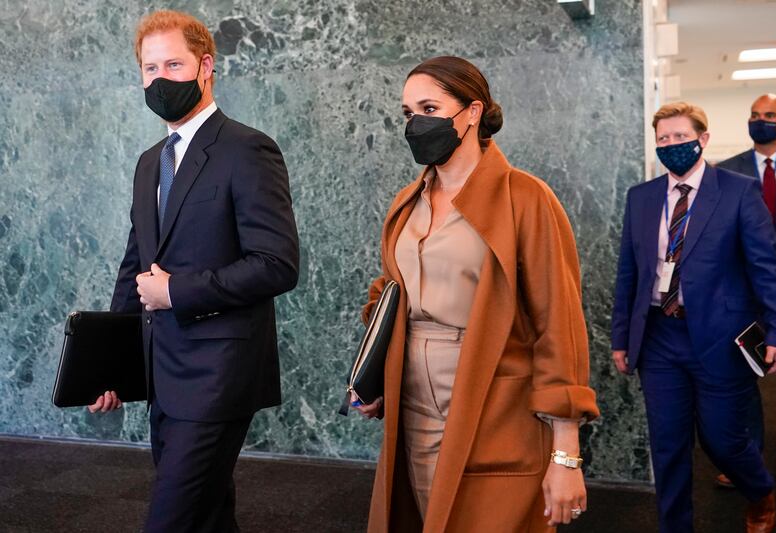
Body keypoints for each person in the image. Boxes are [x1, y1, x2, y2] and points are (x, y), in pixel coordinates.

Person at [352, 56, 599, 532]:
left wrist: (566, 455)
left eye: (428, 106)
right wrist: (375, 371)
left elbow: (559, 325)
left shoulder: (526, 198)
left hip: (494, 405)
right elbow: (387, 296)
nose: (415, 123)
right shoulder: (408, 201)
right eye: (407, 112)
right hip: (414, 407)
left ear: (471, 112)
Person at [87, 10, 300, 532]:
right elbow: (135, 264)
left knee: (172, 521)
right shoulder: (149, 161)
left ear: (206, 66)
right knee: (206, 518)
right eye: (150, 68)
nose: (160, 79)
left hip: (218, 374)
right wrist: (112, 365)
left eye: (173, 65)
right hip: (163, 373)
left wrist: (177, 292)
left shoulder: (248, 149)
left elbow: (277, 265)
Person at [611, 101, 776, 533]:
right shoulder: (641, 198)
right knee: (668, 444)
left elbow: (767, 269)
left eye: (680, 136)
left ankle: (759, 489)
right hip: (659, 337)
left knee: (724, 439)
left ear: (703, 139)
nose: (672, 145)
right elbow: (629, 274)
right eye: (664, 139)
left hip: (719, 336)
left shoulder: (737, 191)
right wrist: (622, 338)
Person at [717, 93, 776, 487]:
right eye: (754, 114)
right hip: (744, 290)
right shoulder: (727, 171)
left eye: (769, 115)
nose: (760, 120)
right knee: (741, 375)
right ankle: (744, 454)